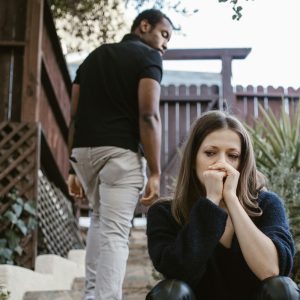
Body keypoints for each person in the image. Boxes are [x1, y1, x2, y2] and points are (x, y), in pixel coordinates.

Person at [67, 9, 173, 300]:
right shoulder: (149, 58)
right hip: (120, 156)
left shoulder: (94, 57)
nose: (165, 44)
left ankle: (92, 295)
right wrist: (154, 170)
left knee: (100, 221)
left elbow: (74, 116)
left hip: (84, 154)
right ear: (144, 25)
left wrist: (71, 169)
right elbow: (149, 115)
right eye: (164, 35)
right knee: (115, 232)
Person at [146, 110, 300, 300]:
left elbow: (271, 270)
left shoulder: (268, 204)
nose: (221, 163)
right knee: (169, 293)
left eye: (233, 156)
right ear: (193, 160)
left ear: (242, 164)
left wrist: (231, 199)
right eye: (210, 153)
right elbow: (179, 272)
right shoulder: (165, 212)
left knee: (283, 288)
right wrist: (211, 201)